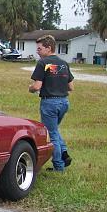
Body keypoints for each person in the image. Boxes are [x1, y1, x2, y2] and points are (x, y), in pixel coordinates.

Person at [29, 34, 74, 172]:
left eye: (39, 48)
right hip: (64, 102)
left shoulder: (43, 63)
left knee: (52, 133)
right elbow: (71, 87)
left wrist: (30, 88)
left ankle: (59, 167)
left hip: (50, 104)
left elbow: (37, 86)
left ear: (49, 48)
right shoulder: (63, 64)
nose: (37, 51)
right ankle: (64, 152)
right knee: (54, 129)